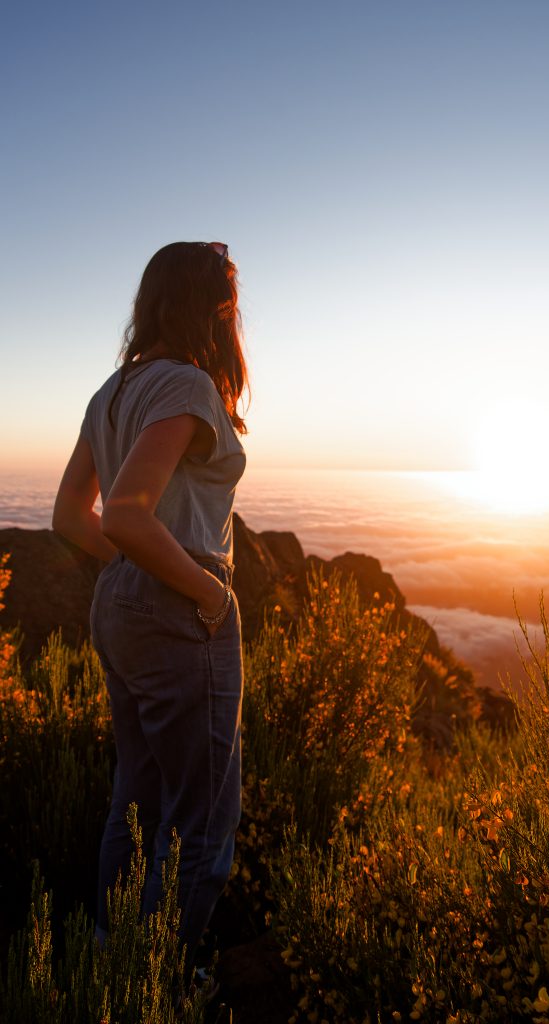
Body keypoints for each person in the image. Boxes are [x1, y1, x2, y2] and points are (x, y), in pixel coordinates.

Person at [52, 240, 249, 976]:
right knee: (201, 820)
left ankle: (112, 961)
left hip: (120, 603)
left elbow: (72, 518)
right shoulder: (186, 387)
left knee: (135, 800)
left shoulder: (111, 392)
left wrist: (132, 575)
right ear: (210, 307)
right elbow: (127, 515)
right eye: (228, 302)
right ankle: (160, 980)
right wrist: (202, 592)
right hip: (180, 602)